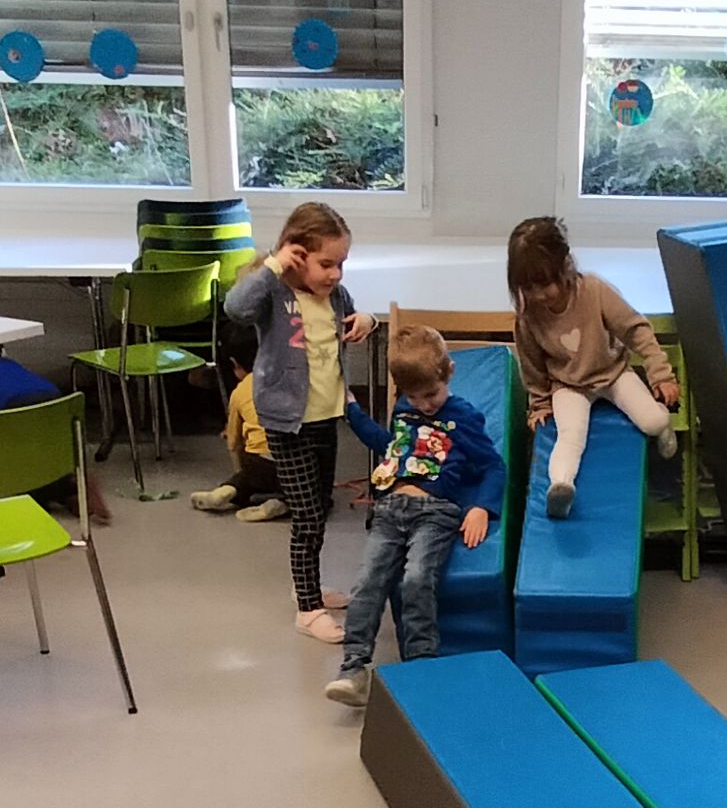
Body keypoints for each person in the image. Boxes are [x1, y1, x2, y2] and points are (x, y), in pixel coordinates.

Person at [325, 325, 502, 707]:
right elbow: (391, 447)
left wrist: (481, 508)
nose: (424, 405)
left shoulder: (463, 416)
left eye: (431, 394)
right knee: (368, 582)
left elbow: (492, 465)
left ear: (449, 373)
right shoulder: (404, 410)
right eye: (414, 396)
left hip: (435, 512)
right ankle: (353, 668)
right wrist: (353, 412)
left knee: (416, 579)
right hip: (389, 510)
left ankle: (422, 665)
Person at [221, 201, 369, 640]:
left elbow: (350, 320)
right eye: (326, 264)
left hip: (326, 416)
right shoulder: (274, 294)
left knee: (319, 509)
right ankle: (307, 610)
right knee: (306, 517)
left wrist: (367, 321)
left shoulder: (336, 296)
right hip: (288, 422)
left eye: (341, 264)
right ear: (297, 255)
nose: (336, 274)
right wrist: (273, 265)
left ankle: (308, 588)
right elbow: (235, 307)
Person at [505, 215, 677, 521]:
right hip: (568, 385)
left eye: (545, 284)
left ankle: (664, 426)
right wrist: (540, 404)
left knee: (652, 421)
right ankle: (561, 487)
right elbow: (532, 365)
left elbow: (637, 330)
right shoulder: (528, 317)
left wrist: (660, 374)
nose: (538, 295)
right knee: (570, 436)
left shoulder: (595, 292)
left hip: (613, 374)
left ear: (565, 266)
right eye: (528, 287)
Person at [189, 364, 282, 521]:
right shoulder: (288, 377)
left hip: (259, 461)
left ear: (237, 366)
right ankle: (282, 503)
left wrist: (241, 473)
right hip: (293, 459)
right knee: (311, 491)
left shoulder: (240, 391)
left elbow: (233, 443)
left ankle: (226, 490)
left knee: (249, 478)